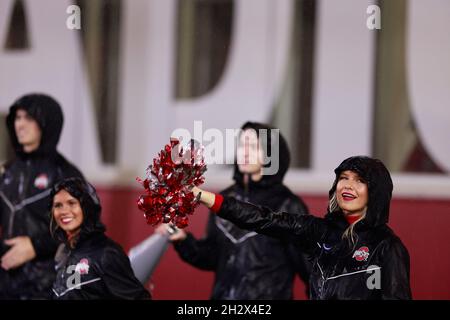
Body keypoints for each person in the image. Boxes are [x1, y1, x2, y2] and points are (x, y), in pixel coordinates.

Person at [192, 156, 412, 300]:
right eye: (344, 178)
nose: (348, 185)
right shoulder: (319, 231)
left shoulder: (387, 247)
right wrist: (201, 195)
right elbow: (264, 219)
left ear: (376, 191)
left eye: (359, 180)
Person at [157, 122, 311, 299]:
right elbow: (213, 257)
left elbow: (311, 271)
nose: (245, 152)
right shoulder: (223, 199)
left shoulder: (289, 205)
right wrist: (183, 240)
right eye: (242, 145)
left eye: (254, 147)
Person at [0, 93, 84, 299]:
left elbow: (85, 227)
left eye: (28, 118)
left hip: (47, 286)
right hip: (6, 285)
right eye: (17, 118)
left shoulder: (65, 174)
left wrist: (35, 246)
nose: (20, 125)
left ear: (47, 123)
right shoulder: (8, 172)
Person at [50, 177, 151, 299]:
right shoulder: (63, 251)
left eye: (72, 203)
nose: (64, 211)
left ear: (86, 207)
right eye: (58, 205)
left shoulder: (106, 253)